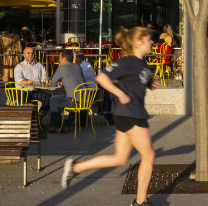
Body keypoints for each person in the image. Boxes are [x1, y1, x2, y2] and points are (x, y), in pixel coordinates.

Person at [61, 27, 159, 206]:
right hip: (131, 113)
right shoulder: (127, 62)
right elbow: (101, 78)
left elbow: (138, 81)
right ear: (138, 42)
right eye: (148, 39)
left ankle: (75, 167)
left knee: (120, 158)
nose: (152, 42)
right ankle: (140, 202)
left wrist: (150, 84)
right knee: (149, 155)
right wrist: (119, 94)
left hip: (130, 113)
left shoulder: (143, 64)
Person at [46, 49, 85, 133]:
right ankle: (66, 125)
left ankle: (57, 126)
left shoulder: (62, 68)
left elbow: (52, 83)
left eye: (60, 58)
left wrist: (59, 83)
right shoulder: (78, 66)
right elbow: (76, 81)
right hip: (85, 99)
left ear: (64, 59)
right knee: (63, 97)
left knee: (53, 99)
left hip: (74, 101)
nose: (59, 60)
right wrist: (64, 83)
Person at [14, 45, 51, 119]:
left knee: (49, 99)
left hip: (35, 90)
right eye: (28, 53)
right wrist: (27, 82)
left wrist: (44, 81)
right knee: (22, 103)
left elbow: (45, 77)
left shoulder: (39, 65)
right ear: (24, 55)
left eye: (32, 53)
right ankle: (23, 121)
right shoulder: (19, 66)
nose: (31, 54)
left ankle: (39, 117)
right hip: (23, 91)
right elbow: (18, 80)